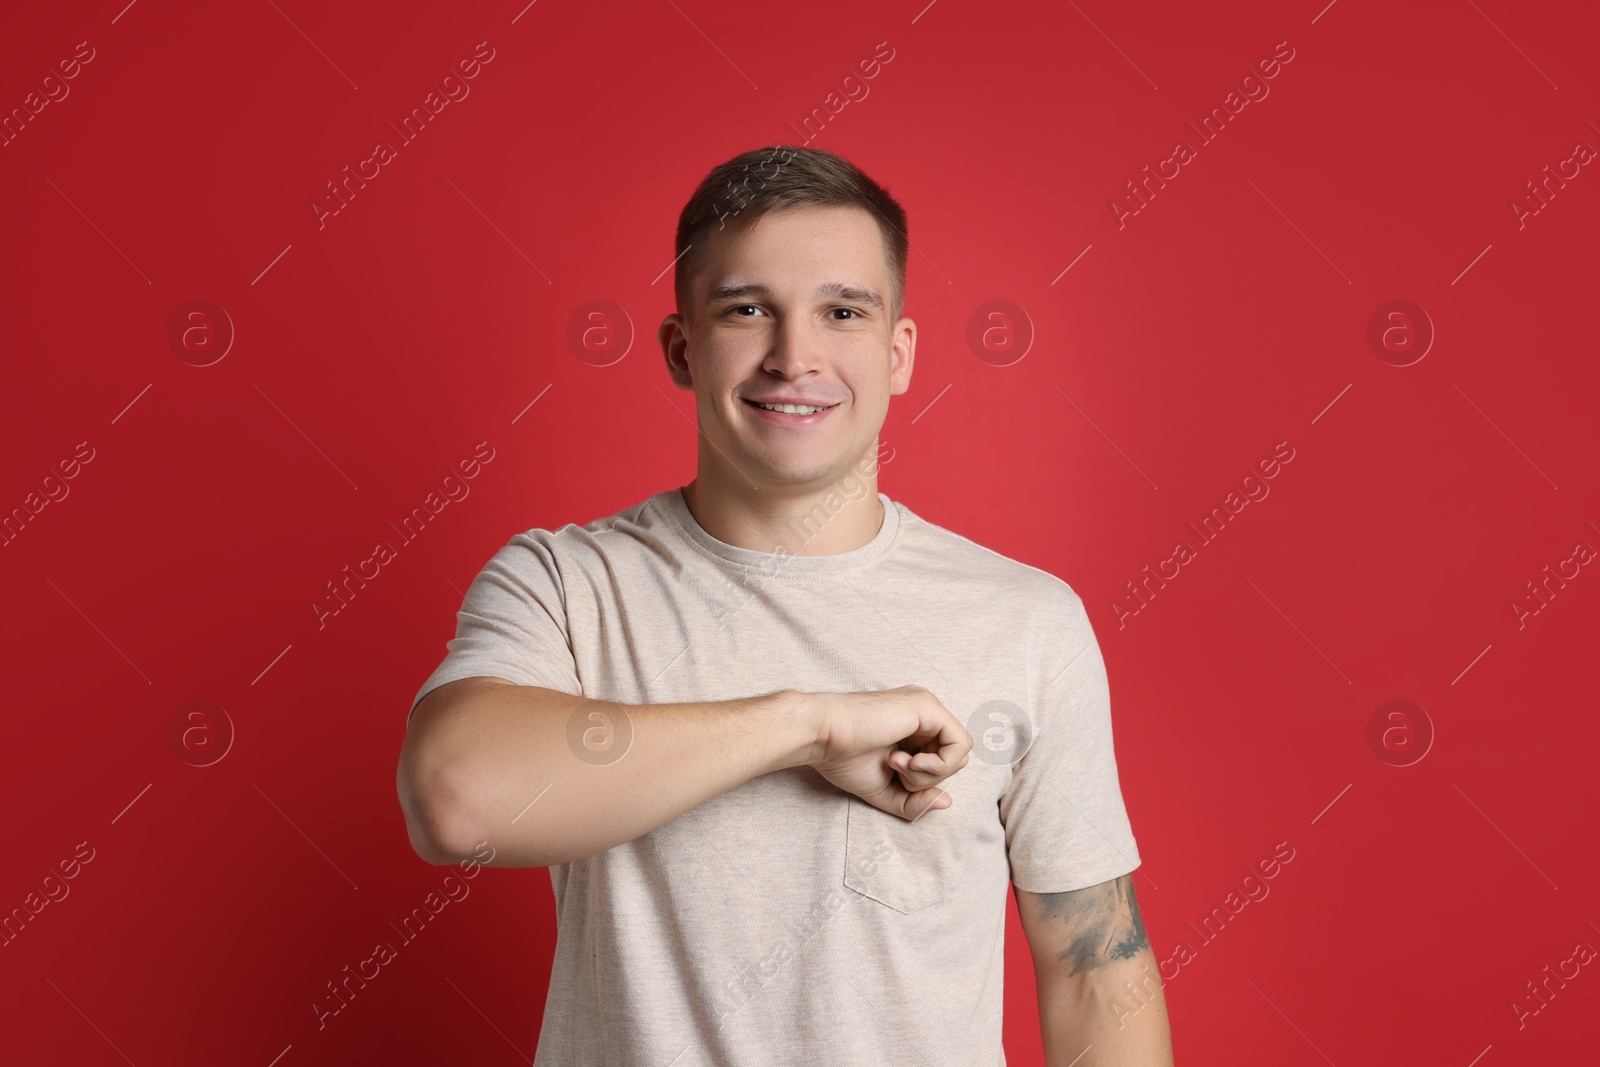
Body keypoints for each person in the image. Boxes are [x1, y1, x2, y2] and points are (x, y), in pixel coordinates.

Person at [396, 144, 1173, 1065]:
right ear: (683, 350)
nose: (793, 356)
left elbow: (1094, 967)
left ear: (898, 355)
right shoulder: (568, 586)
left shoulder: (1028, 620)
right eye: (747, 309)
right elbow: (454, 799)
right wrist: (808, 727)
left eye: (842, 311)